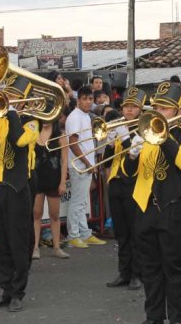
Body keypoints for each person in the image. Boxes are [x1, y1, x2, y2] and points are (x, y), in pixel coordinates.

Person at [121, 81, 181, 324]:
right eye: (156, 107)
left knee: (174, 270)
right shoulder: (144, 136)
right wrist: (131, 154)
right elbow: (128, 172)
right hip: (145, 208)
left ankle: (176, 319)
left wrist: (164, 137)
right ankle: (153, 316)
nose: (158, 113)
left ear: (177, 111)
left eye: (164, 109)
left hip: (174, 209)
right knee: (150, 269)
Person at [0, 75, 40, 313]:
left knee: (18, 242)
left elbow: (19, 140)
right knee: (0, 242)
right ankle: (5, 289)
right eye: (7, 95)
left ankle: (18, 292)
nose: (9, 100)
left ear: (24, 101)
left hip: (18, 187)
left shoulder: (32, 122)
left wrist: (12, 113)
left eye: (14, 97)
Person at [103, 87, 146, 290]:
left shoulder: (145, 130)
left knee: (135, 231)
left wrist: (126, 138)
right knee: (121, 233)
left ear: (140, 110)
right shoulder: (117, 125)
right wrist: (110, 144)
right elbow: (105, 162)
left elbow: (137, 160)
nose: (128, 110)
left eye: (133, 107)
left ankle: (137, 273)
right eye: (126, 106)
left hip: (134, 184)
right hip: (116, 182)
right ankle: (124, 272)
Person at [65, 85, 107, 248]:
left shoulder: (85, 116)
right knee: (77, 201)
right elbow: (73, 144)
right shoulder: (75, 117)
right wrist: (89, 164)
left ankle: (84, 233)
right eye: (85, 99)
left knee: (82, 202)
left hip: (85, 165)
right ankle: (73, 235)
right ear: (78, 100)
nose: (88, 102)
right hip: (80, 166)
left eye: (90, 99)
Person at [32, 107, 70, 260]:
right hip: (36, 178)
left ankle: (56, 247)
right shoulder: (33, 133)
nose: (46, 119)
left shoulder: (60, 136)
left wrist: (62, 182)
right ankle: (34, 247)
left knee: (54, 215)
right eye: (44, 116)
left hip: (54, 178)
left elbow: (64, 160)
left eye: (49, 116)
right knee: (36, 214)